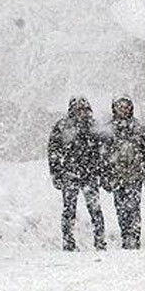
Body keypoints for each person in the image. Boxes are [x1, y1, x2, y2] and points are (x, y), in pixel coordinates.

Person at [48, 97, 107, 251]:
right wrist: (56, 173)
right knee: (69, 210)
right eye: (79, 108)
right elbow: (53, 151)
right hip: (70, 174)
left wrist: (102, 171)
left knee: (95, 209)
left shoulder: (94, 127)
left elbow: (103, 152)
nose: (82, 112)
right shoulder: (62, 126)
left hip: (89, 174)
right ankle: (68, 242)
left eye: (84, 108)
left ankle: (100, 241)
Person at [106, 97, 145, 249]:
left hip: (135, 176)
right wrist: (105, 175)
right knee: (120, 208)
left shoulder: (139, 128)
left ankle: (134, 237)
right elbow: (103, 155)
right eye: (120, 106)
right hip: (117, 176)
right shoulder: (109, 129)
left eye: (126, 106)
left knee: (133, 207)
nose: (123, 109)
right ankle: (125, 235)